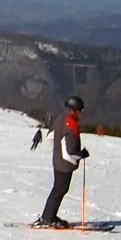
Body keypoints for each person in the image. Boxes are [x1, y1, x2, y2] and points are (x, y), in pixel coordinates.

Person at [35, 96, 89, 228]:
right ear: (74, 110)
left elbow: (50, 136)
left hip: (58, 162)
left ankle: (48, 216)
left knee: (58, 190)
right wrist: (82, 154)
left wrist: (59, 149)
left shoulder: (61, 118)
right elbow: (72, 152)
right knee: (60, 190)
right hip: (65, 165)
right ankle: (48, 218)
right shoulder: (71, 126)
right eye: (80, 110)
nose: (81, 113)